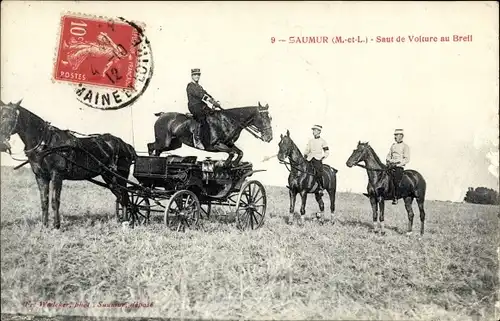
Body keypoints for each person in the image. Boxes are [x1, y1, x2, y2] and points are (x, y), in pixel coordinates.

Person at [186, 68, 220, 149]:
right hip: (194, 106)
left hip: (202, 106)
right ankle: (197, 139)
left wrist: (214, 101)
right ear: (192, 76)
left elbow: (206, 93)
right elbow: (201, 95)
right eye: (195, 75)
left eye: (198, 75)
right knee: (201, 118)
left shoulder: (199, 86)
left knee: (214, 114)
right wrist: (211, 101)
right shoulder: (190, 86)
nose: (197, 76)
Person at [386, 128, 410, 204]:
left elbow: (406, 159)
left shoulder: (405, 146)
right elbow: (388, 156)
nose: (395, 137)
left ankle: (395, 197)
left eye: (396, 135)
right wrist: (389, 161)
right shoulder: (393, 146)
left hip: (399, 166)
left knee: (396, 179)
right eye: (395, 135)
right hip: (391, 165)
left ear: (401, 136)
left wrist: (397, 164)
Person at [304, 124, 329, 193]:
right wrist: (305, 154)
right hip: (309, 159)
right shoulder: (310, 141)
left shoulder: (323, 141)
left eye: (315, 130)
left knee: (318, 172)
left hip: (317, 159)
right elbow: (307, 150)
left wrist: (323, 157)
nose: (313, 132)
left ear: (319, 131)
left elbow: (327, 151)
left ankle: (320, 187)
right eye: (313, 130)